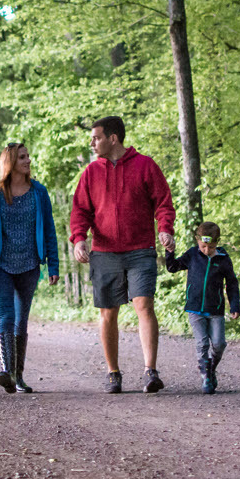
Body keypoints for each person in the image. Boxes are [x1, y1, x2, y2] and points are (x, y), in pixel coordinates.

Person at [69, 115, 176, 394]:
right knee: (108, 313)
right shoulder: (91, 173)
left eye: (96, 138)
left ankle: (150, 371)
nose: (92, 143)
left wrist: (165, 229)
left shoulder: (145, 166)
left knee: (144, 305)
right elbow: (80, 211)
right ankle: (113, 373)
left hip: (140, 250)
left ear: (113, 138)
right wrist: (79, 240)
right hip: (104, 253)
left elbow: (163, 202)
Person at [0, 143, 60, 394]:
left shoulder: (39, 192)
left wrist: (53, 264)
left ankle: (18, 377)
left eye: (27, 156)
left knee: (21, 321)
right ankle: (6, 371)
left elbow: (49, 230)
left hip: (30, 266)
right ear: (10, 162)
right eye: (22, 157)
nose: (28, 160)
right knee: (6, 317)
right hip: (0, 268)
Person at [165, 222, 240, 394]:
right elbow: (172, 267)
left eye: (211, 247)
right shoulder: (193, 255)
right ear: (197, 241)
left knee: (219, 343)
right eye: (203, 246)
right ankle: (205, 376)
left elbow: (232, 284)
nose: (207, 250)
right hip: (194, 308)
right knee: (202, 343)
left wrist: (234, 305)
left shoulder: (223, 259)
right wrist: (169, 252)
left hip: (216, 310)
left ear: (217, 243)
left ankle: (211, 368)